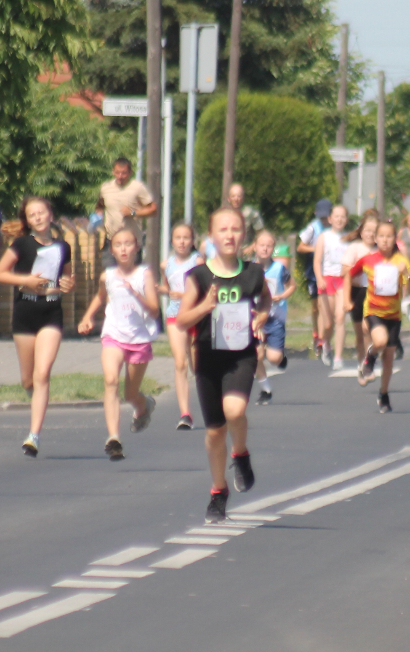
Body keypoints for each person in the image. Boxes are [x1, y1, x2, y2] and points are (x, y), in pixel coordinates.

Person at [174, 207, 271, 524]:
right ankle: (219, 491)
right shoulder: (199, 277)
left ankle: (240, 454)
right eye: (223, 229)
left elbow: (265, 300)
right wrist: (206, 305)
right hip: (208, 357)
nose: (229, 235)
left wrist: (262, 315)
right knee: (215, 432)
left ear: (244, 235)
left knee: (235, 411)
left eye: (235, 229)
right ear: (212, 236)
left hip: (241, 353)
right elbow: (182, 320)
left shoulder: (253, 273)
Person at [0, 197, 75, 457]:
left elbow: (68, 277)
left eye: (42, 212)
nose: (38, 217)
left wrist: (68, 285)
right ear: (27, 220)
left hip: (51, 311)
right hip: (25, 312)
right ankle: (35, 399)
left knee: (42, 375)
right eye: (32, 214)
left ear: (51, 215)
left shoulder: (63, 246)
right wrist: (25, 280)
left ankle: (33, 436)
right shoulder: (21, 245)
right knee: (28, 379)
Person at [78, 226, 160, 460]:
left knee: (130, 394)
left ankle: (144, 406)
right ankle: (114, 437)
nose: (123, 248)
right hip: (113, 335)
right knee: (111, 380)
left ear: (136, 247)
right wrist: (88, 316)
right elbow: (100, 297)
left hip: (139, 339)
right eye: (118, 245)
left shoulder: (144, 274)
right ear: (112, 250)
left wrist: (137, 295)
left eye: (128, 244)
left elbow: (154, 311)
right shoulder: (108, 276)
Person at [351, 220, 410, 406]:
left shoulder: (401, 261)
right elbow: (349, 274)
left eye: (389, 236)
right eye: (381, 236)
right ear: (375, 239)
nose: (385, 240)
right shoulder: (368, 260)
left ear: (395, 239)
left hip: (393, 315)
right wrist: (346, 297)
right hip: (373, 311)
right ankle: (369, 358)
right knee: (380, 341)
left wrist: (407, 276)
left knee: (389, 358)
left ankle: (383, 393)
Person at [161, 223, 204, 430]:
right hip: (175, 316)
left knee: (197, 364)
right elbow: (167, 287)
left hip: (195, 315)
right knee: (180, 362)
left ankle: (212, 401)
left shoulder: (198, 262)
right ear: (172, 241)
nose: (182, 242)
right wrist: (160, 290)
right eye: (178, 238)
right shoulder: (166, 264)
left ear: (192, 241)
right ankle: (185, 413)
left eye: (186, 238)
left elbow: (206, 290)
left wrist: (187, 295)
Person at [253, 230, 294, 403]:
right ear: (255, 247)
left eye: (269, 246)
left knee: (273, 358)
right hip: (256, 317)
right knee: (257, 355)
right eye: (262, 245)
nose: (265, 249)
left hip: (275, 317)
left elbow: (292, 285)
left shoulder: (278, 268)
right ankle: (265, 390)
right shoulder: (249, 268)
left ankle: (281, 357)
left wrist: (282, 296)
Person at [99, 157, 156, 267]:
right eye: (117, 173)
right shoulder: (106, 188)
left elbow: (153, 209)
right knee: (110, 277)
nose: (120, 176)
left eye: (124, 173)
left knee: (132, 278)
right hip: (111, 241)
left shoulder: (137, 188)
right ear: (113, 172)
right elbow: (100, 206)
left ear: (130, 172)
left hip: (131, 243)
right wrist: (96, 218)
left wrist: (133, 213)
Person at [313, 204, 350, 369]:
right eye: (336, 216)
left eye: (343, 216)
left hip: (342, 280)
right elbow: (317, 261)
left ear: (346, 219)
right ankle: (326, 343)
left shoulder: (349, 238)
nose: (339, 219)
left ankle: (338, 357)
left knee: (340, 317)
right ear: (330, 219)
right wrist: (319, 278)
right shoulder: (324, 236)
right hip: (326, 279)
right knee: (328, 324)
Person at [341, 212, 380, 369]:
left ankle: (369, 360)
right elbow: (344, 273)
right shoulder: (355, 247)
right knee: (360, 332)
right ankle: (361, 362)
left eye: (374, 231)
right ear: (361, 232)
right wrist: (346, 300)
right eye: (367, 230)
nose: (371, 234)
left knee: (367, 328)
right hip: (357, 292)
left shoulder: (381, 250)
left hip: (375, 294)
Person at [297, 199, 333, 361]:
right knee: (315, 307)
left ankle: (323, 339)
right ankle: (316, 333)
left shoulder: (335, 229)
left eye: (327, 217)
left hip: (331, 271)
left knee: (326, 305)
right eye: (322, 217)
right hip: (313, 271)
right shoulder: (313, 227)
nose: (325, 220)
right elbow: (300, 246)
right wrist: (317, 249)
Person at [226, 183, 265, 256]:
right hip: (228, 254)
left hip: (246, 254)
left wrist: (252, 247)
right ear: (229, 199)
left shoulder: (251, 213)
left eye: (239, 196)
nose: (236, 199)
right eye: (233, 196)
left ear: (243, 198)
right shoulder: (223, 215)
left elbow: (261, 234)